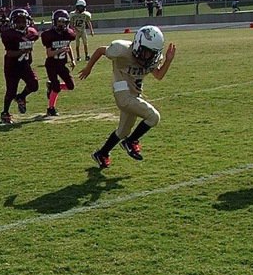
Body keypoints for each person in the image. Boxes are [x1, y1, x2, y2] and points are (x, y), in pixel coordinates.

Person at [78, 25, 176, 169]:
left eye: (152, 53)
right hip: (121, 91)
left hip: (134, 95)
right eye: (146, 51)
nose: (147, 56)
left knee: (123, 131)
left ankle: (102, 153)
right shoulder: (121, 49)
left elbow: (159, 75)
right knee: (153, 117)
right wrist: (88, 67)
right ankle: (131, 141)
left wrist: (168, 60)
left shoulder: (153, 59)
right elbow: (100, 50)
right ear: (137, 44)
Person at [0, 8, 40, 123]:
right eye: (18, 21)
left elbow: (33, 38)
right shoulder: (9, 34)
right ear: (13, 22)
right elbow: (10, 53)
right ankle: (5, 112)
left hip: (25, 64)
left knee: (34, 85)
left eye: (23, 21)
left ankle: (21, 97)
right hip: (12, 66)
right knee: (11, 91)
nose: (21, 24)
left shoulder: (32, 33)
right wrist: (22, 51)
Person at [41, 10, 78, 117]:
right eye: (59, 21)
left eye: (63, 22)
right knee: (56, 88)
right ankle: (50, 108)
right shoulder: (49, 35)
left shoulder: (68, 34)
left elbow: (68, 46)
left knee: (71, 86)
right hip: (51, 64)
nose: (61, 24)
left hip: (62, 64)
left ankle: (51, 86)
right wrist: (60, 50)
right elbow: (49, 54)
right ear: (55, 22)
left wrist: (73, 59)